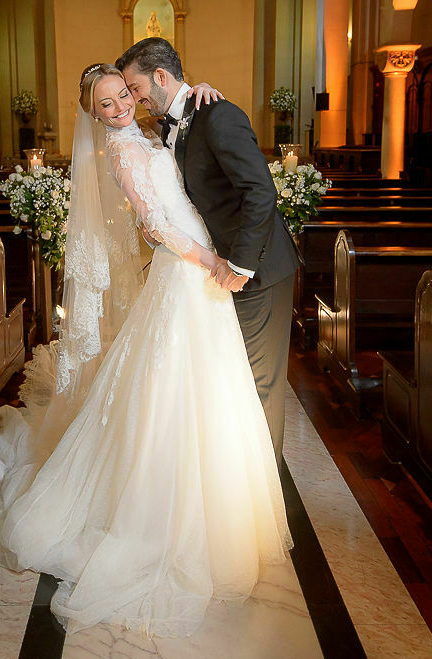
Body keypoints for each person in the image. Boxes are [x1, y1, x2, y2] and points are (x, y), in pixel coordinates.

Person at [0, 63, 291, 638]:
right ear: (94, 113)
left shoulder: (155, 130)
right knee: (168, 391)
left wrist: (202, 86)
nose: (119, 106)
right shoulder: (123, 154)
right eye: (105, 103)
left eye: (122, 94)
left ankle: (219, 503)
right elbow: (155, 224)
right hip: (188, 272)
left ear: (137, 90)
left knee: (211, 388)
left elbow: (182, 126)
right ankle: (160, 511)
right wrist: (211, 263)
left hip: (202, 272)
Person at [116, 39, 300, 466]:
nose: (133, 98)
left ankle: (265, 489)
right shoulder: (172, 121)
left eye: (135, 86)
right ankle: (238, 477)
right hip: (215, 271)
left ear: (160, 77)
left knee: (259, 384)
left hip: (257, 268)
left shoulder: (218, 115)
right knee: (231, 377)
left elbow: (261, 192)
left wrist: (239, 265)